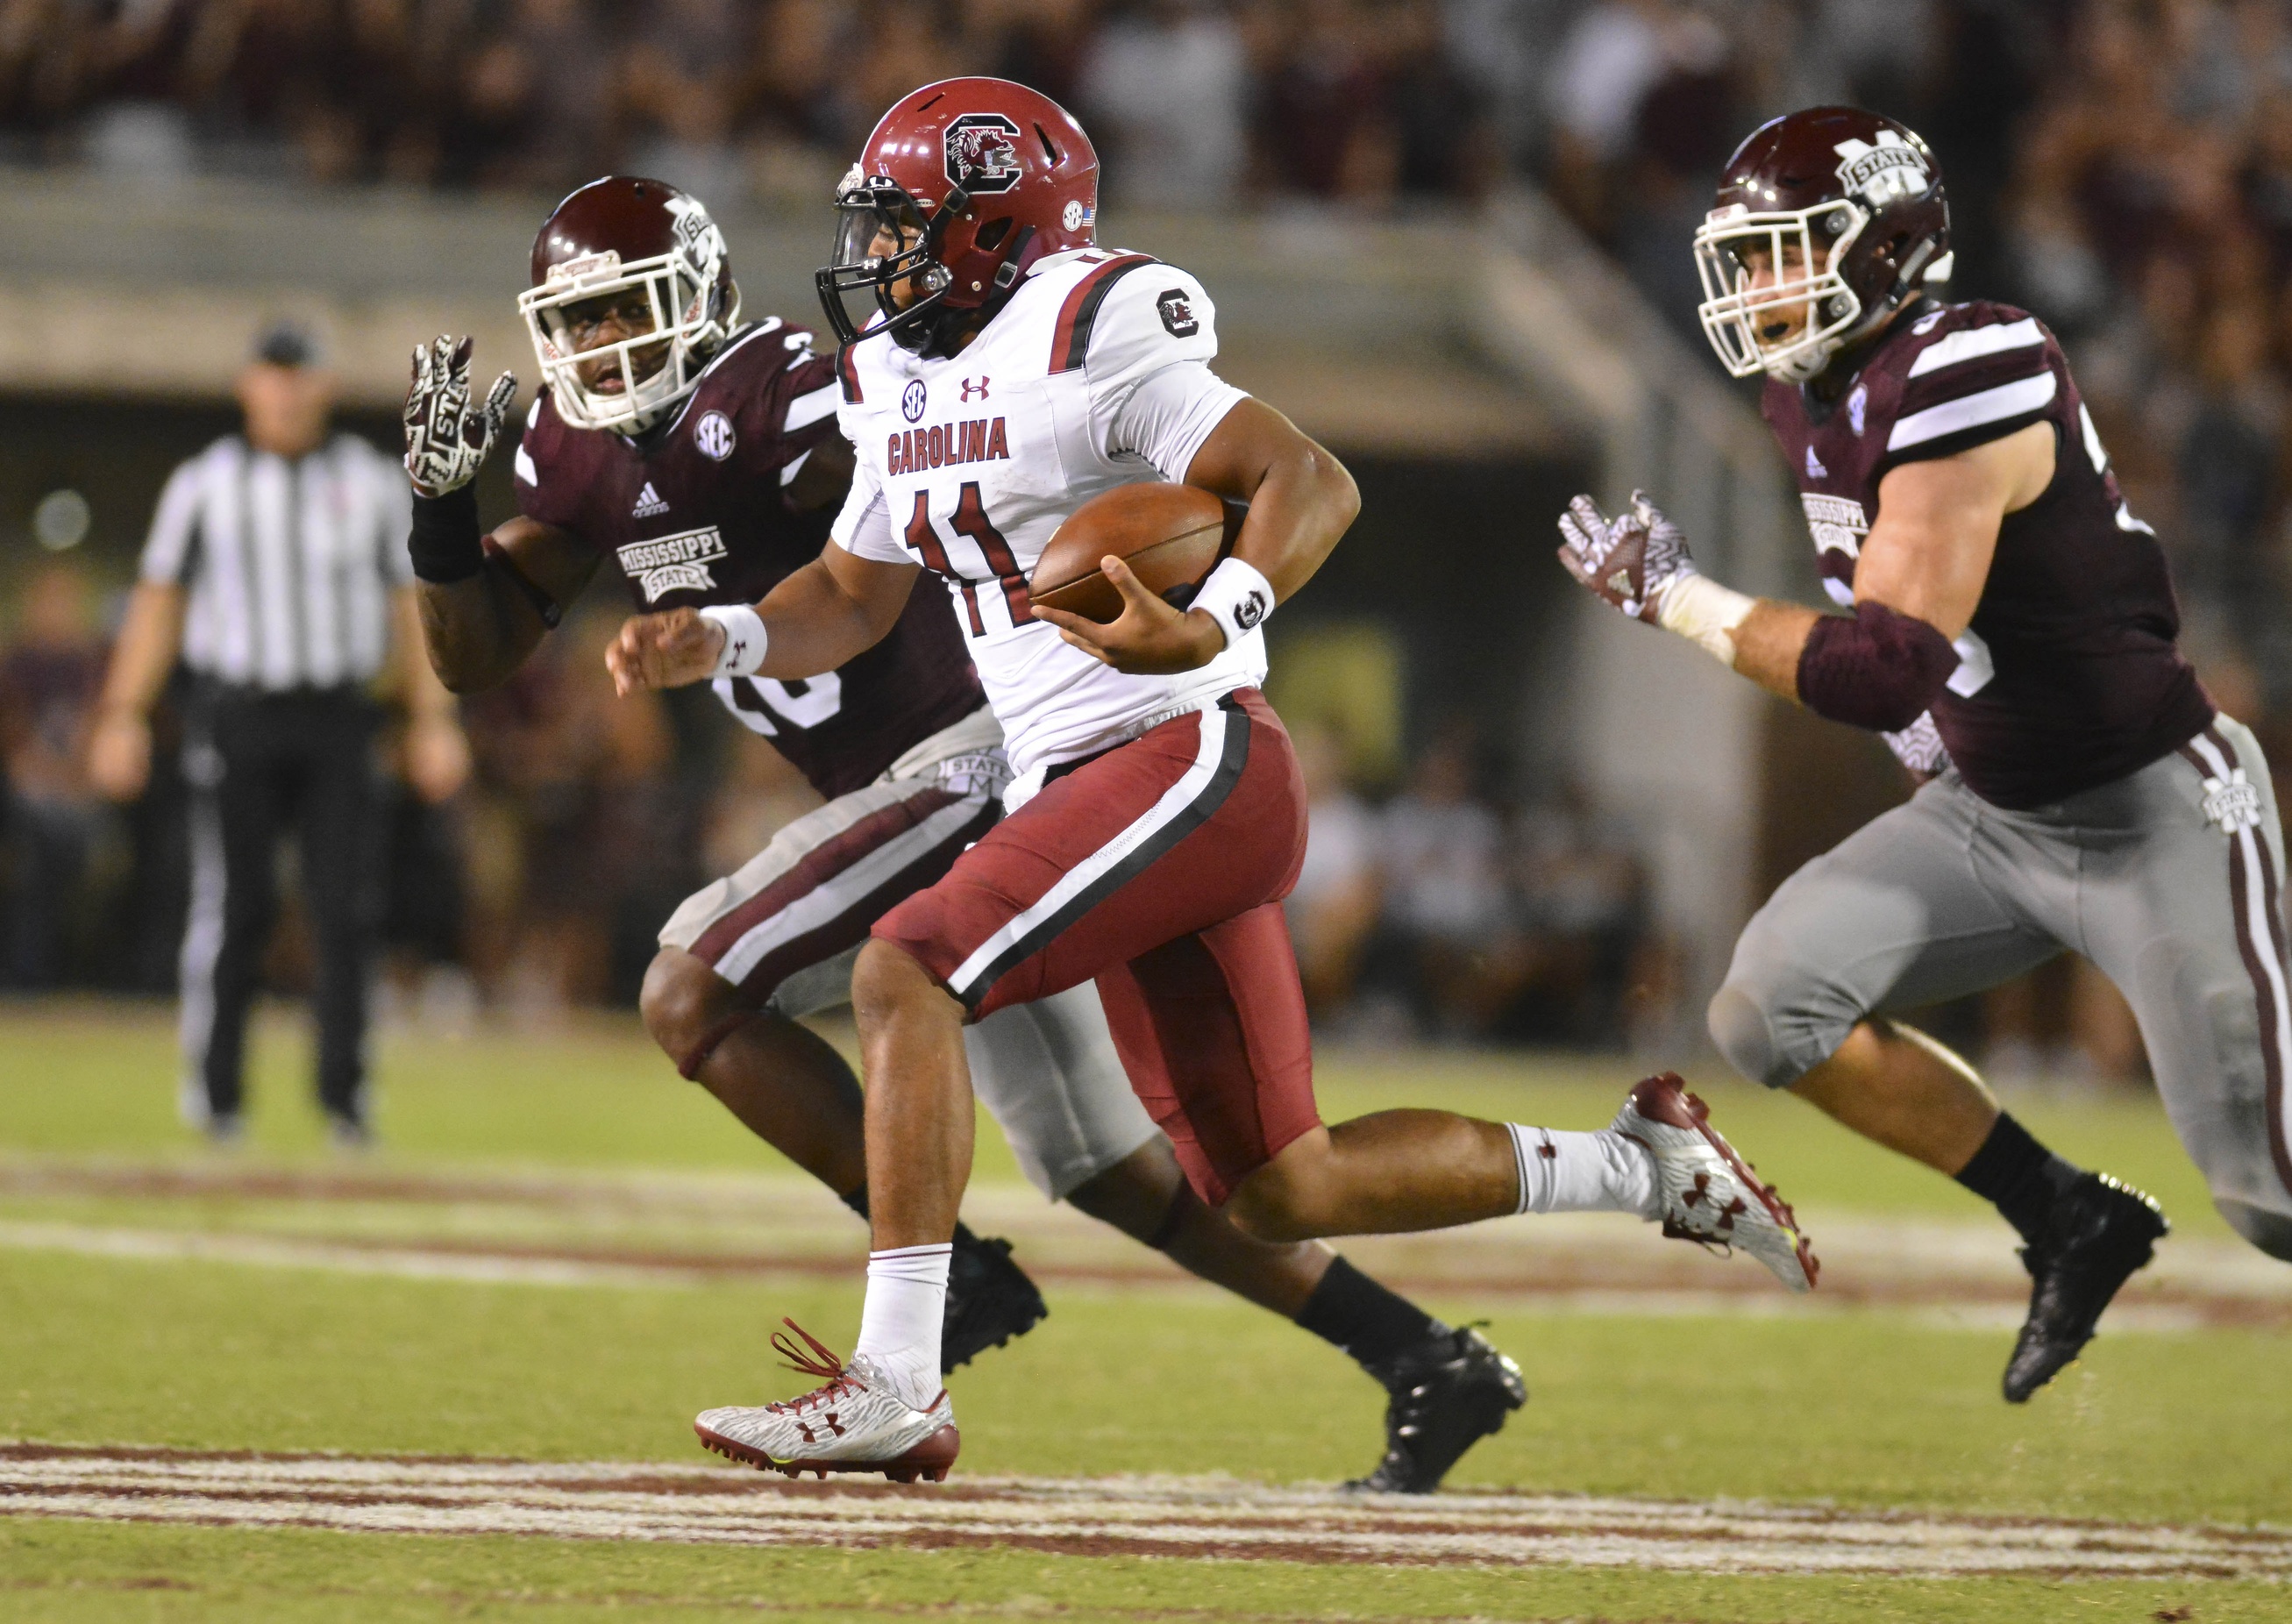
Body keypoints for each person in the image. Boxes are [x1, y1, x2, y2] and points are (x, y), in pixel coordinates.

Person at [607, 78, 1815, 1483]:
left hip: (1182, 755)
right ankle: (1643, 1165)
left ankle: (896, 1379)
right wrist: (729, 634)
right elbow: (850, 593)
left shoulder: (1088, 321)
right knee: (1274, 1188)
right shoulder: (893, 371)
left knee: (906, 968)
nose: (874, 255)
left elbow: (1306, 477)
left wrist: (1225, 609)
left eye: (905, 226)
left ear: (996, 228)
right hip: (1085, 782)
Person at [402, 175, 1527, 1492]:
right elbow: (474, 655)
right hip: (900, 797)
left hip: (977, 757)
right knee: (1109, 1170)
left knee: (691, 980)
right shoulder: (570, 453)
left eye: (622, 313)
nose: (601, 349)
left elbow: (895, 541)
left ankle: (944, 1296)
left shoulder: (790, 395)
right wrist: (435, 511)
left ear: (700, 297)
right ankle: (1420, 1356)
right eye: (576, 324)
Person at [1555, 105, 2280, 1407]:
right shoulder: (1807, 391)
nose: (1760, 290)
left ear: (1884, 247)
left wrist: (1674, 596)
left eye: (1787, 252)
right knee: (1768, 1008)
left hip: (2150, 808)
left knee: (2269, 1191)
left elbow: (1884, 658)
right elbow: (1910, 659)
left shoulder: (1972, 358)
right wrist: (1928, 757)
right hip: (1987, 813)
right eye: (1750, 259)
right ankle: (2067, 1216)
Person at [87, 323, 469, 1145]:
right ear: (248, 385)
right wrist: (122, 714)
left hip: (339, 713)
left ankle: (346, 1097)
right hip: (240, 713)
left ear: (325, 386)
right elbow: (159, 603)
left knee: (345, 909)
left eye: (301, 377)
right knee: (236, 905)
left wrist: (432, 719)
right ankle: (217, 1097)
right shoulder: (206, 483)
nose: (288, 393)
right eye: (274, 376)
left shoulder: (366, 482)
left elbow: (410, 610)